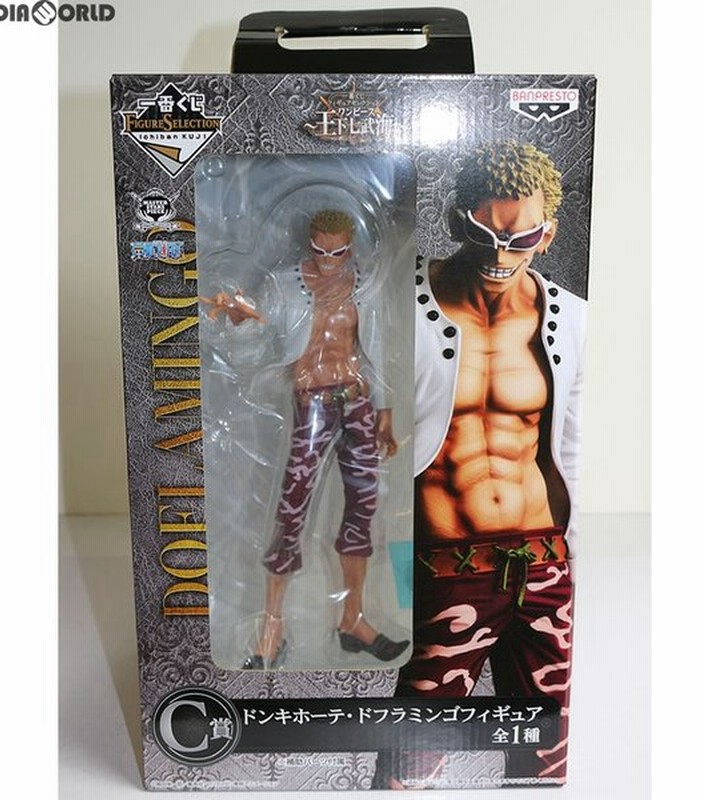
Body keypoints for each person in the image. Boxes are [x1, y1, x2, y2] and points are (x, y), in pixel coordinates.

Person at [375, 140, 585, 787]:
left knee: (543, 756)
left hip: (544, 565)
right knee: (408, 763)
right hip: (444, 565)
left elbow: (571, 447)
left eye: (521, 239)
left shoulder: (573, 321)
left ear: (547, 234)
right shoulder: (395, 302)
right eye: (484, 232)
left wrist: (576, 554)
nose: (500, 254)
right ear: (456, 218)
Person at [202, 208, 409, 669]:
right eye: (320, 250)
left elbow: (377, 350)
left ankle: (353, 620)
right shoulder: (284, 285)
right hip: (311, 403)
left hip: (356, 401)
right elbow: (259, 347)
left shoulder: (365, 286)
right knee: (292, 509)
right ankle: (271, 628)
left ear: (350, 247)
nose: (328, 260)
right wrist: (240, 319)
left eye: (338, 252)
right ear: (309, 243)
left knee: (363, 507)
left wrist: (386, 412)